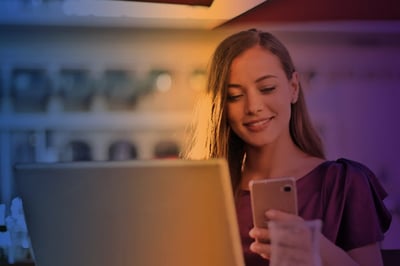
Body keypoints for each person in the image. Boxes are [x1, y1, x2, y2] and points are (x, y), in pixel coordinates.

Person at [182, 29, 392, 266]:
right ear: (220, 106)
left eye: (267, 88)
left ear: (293, 88)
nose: (253, 106)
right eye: (235, 96)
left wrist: (316, 247)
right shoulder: (207, 195)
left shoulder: (343, 183)